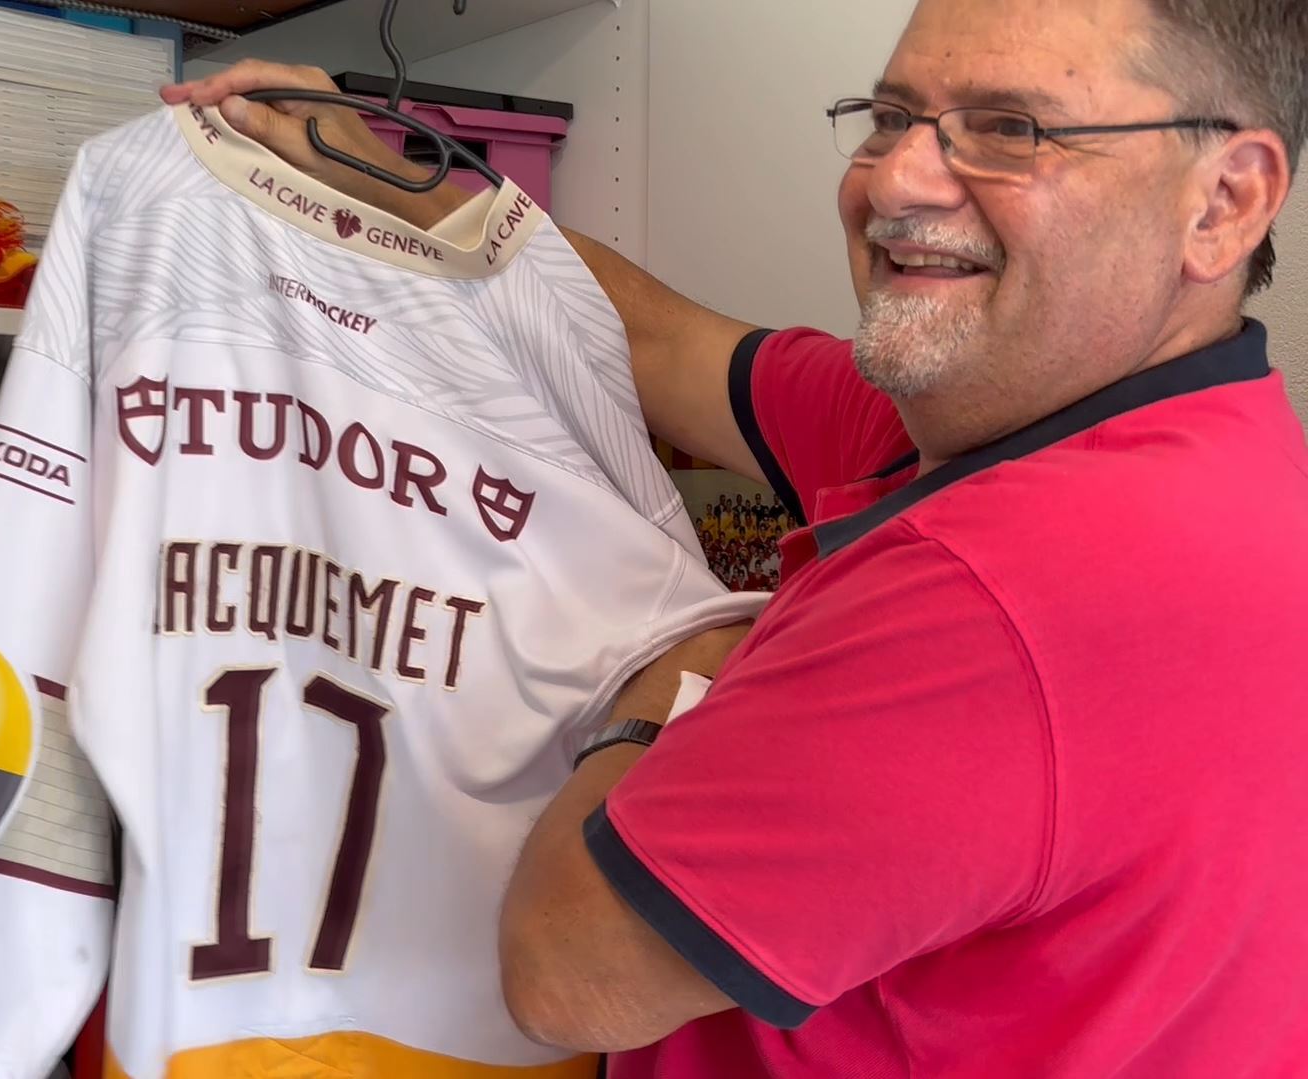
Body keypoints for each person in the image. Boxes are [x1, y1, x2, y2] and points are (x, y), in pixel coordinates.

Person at [163, 0, 1308, 1073]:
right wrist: (378, 172)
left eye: (1010, 130)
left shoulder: (1003, 592)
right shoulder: (1140, 438)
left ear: (1224, 201)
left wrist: (675, 670)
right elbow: (656, 342)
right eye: (893, 117)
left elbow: (569, 971)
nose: (896, 179)